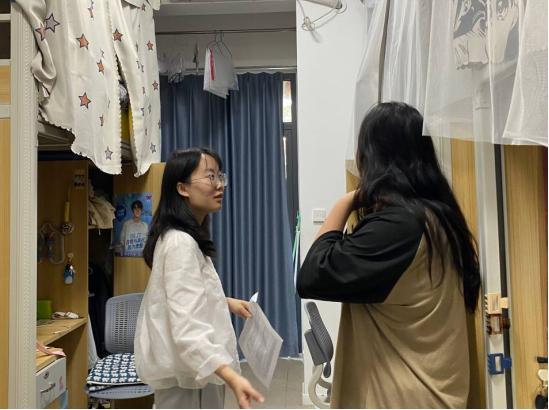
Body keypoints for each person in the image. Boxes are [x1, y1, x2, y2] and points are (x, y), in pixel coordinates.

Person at [297, 102, 481, 409]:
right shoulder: (437, 217)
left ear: (370, 157)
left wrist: (348, 200)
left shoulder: (399, 227)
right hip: (429, 392)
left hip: (402, 396)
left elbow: (313, 275)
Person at [135, 148, 264, 410]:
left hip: (194, 374)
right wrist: (231, 376)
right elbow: (187, 327)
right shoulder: (180, 243)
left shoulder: (181, 238)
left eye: (220, 176)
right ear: (182, 188)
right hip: (190, 378)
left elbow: (179, 298)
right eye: (210, 177)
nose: (219, 185)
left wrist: (224, 302)